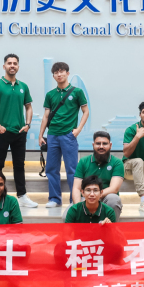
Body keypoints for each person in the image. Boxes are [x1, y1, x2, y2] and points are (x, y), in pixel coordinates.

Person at [0, 54, 36, 208]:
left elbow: (29, 107)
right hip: (2, 132)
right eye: (9, 63)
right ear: (4, 66)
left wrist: (27, 125)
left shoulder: (23, 86)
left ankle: (22, 196)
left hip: (19, 132)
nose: (12, 65)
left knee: (19, 165)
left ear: (18, 67)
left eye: (15, 63)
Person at [38, 62, 89, 208]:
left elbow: (86, 111)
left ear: (67, 73)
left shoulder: (77, 92)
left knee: (72, 169)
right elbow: (46, 116)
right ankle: (55, 199)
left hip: (69, 135)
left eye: (62, 71)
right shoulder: (50, 94)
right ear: (53, 76)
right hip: (52, 135)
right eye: (56, 72)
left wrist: (78, 129)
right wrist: (41, 135)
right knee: (51, 169)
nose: (59, 74)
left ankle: (74, 200)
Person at [71, 131, 125, 220]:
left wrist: (95, 196)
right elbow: (76, 188)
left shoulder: (117, 162)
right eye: (98, 143)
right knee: (66, 216)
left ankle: (110, 227)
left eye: (105, 144)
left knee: (114, 199)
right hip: (86, 199)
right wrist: (78, 207)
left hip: (105, 199)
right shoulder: (83, 161)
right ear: (93, 145)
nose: (101, 146)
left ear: (110, 145)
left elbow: (114, 189)